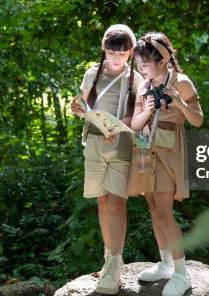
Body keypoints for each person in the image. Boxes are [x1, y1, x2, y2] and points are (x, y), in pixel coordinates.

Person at [127, 31, 203, 296]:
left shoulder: (181, 81)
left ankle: (183, 273)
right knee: (153, 208)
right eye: (138, 64)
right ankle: (166, 263)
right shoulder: (144, 86)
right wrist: (147, 110)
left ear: (163, 60)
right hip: (147, 151)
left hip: (170, 150)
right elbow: (135, 124)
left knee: (164, 211)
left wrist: (180, 102)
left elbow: (197, 120)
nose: (141, 68)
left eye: (145, 63)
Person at [70, 24, 143, 294]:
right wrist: (77, 108)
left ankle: (115, 263)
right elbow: (82, 105)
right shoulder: (94, 72)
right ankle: (108, 257)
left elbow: (139, 113)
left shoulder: (135, 78)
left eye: (121, 54)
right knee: (102, 200)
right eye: (111, 52)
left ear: (130, 52)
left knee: (117, 201)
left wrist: (117, 124)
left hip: (121, 143)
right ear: (104, 49)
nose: (115, 58)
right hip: (95, 142)